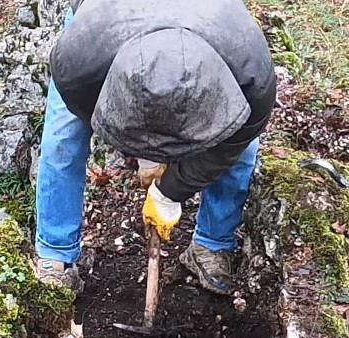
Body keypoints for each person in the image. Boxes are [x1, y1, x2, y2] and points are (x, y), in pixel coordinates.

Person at [34, 0, 277, 296]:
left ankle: (212, 244)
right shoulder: (79, 62)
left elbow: (230, 146)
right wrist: (144, 154)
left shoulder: (250, 73)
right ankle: (55, 255)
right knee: (63, 137)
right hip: (108, 21)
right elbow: (90, 115)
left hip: (211, 20)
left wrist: (169, 193)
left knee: (242, 150)